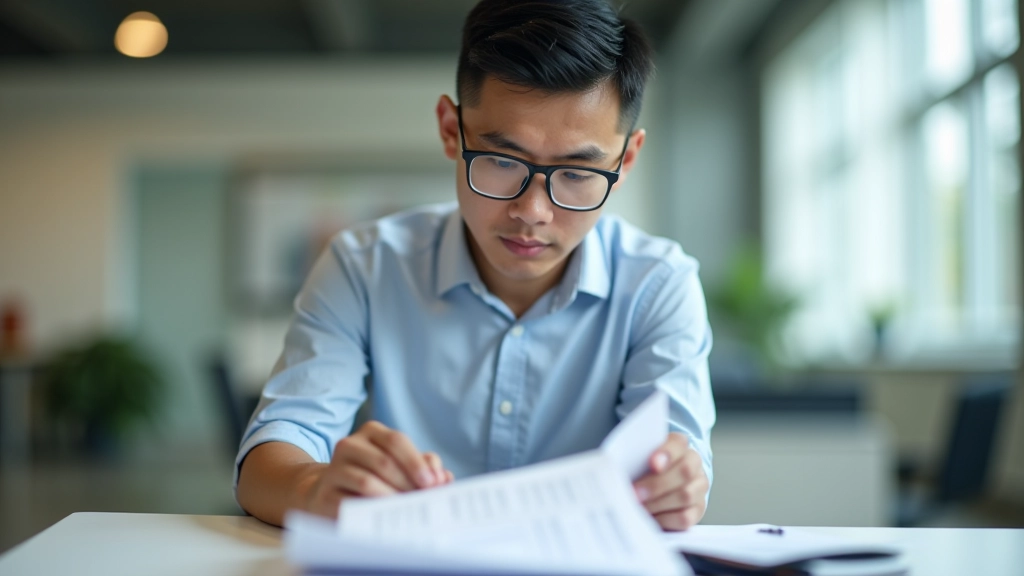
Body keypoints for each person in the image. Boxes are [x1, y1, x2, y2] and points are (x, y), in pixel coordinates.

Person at [235, 0, 716, 532]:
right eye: (503, 161)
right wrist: (315, 487)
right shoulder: (364, 267)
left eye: (578, 174)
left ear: (625, 160)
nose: (532, 212)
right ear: (451, 130)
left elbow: (676, 460)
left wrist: (676, 486)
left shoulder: (659, 285)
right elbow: (272, 453)